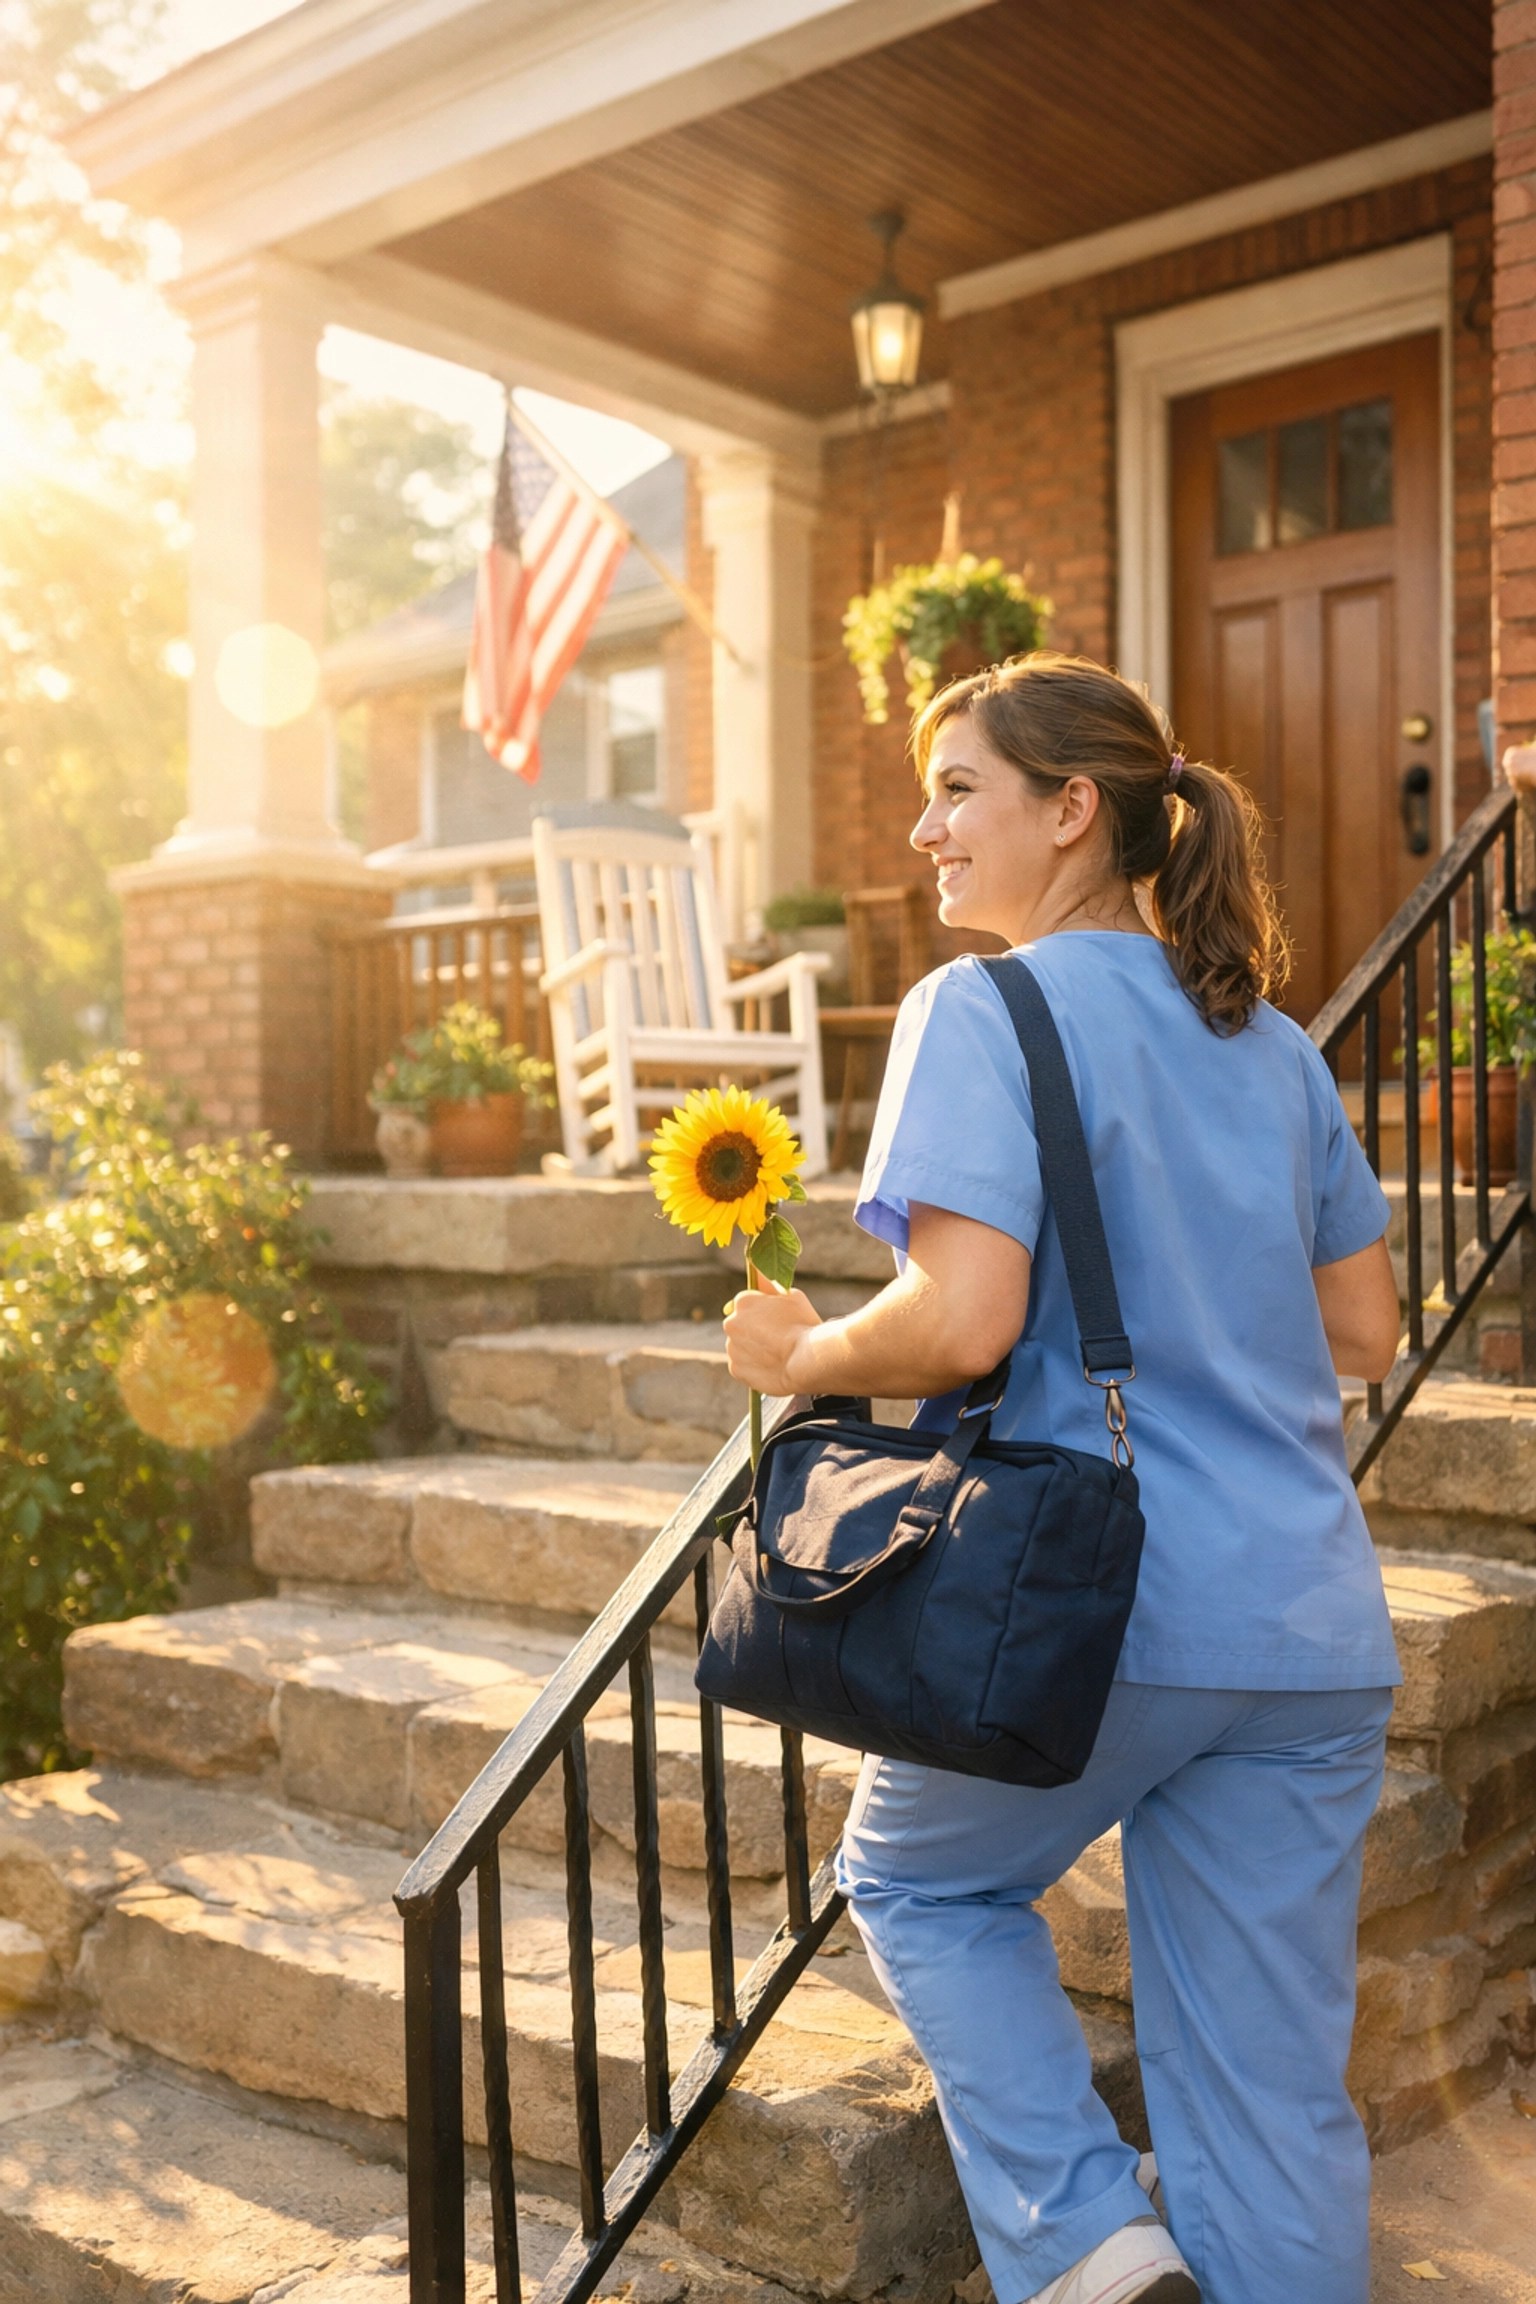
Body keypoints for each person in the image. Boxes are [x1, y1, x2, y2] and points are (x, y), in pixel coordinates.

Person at [722, 653, 1402, 2304]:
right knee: (1266, 2096)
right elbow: (1368, 1329)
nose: (925, 825)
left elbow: (961, 1320)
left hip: (1106, 1614)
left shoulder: (986, 1009)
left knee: (911, 1883)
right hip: (1310, 1625)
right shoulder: (1274, 1047)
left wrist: (799, 1360)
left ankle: (1095, 2253)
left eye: (960, 789)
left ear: (1071, 808)